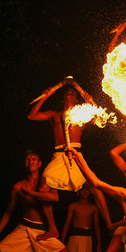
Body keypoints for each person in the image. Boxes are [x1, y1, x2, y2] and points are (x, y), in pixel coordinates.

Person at [27, 78, 112, 232]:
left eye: (72, 93)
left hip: (76, 154)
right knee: (42, 188)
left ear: (77, 99)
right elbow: (31, 116)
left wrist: (91, 102)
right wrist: (45, 97)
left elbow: (101, 120)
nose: (69, 94)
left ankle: (109, 224)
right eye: (67, 93)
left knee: (96, 188)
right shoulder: (54, 115)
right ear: (63, 99)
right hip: (59, 154)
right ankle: (52, 228)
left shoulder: (82, 114)